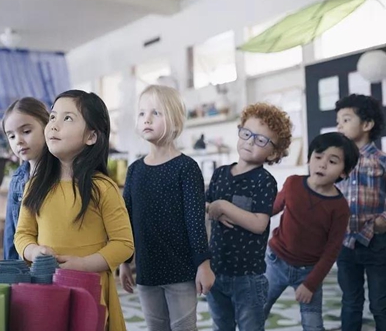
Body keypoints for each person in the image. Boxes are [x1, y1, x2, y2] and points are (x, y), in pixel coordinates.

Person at [14, 90, 134, 331]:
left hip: (90, 292)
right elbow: (22, 235)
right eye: (52, 117)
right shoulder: (34, 186)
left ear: (91, 136)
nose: (54, 126)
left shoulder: (102, 188)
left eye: (67, 118)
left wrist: (84, 264)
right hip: (48, 289)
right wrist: (34, 250)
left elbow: (124, 244)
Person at [118, 85, 214, 331]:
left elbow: (195, 221)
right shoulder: (135, 171)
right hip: (147, 271)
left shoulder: (187, 168)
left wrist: (203, 264)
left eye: (156, 113)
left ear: (175, 121)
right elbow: (126, 219)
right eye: (142, 113)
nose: (146, 118)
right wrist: (125, 262)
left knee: (184, 327)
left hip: (181, 271)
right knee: (155, 327)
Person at [206, 102, 292, 331]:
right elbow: (206, 204)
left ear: (273, 152)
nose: (250, 141)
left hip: (248, 277)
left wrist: (223, 206)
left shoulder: (264, 181)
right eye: (246, 133)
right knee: (220, 325)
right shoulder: (220, 173)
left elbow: (259, 223)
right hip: (216, 269)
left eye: (261, 139)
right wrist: (212, 207)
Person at [264, 132, 359, 330]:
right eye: (318, 157)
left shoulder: (340, 208)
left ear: (344, 172)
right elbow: (269, 210)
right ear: (309, 159)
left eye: (332, 161)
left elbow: (332, 250)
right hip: (275, 262)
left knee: (313, 324)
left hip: (308, 272)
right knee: (256, 311)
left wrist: (311, 284)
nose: (322, 164)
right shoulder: (293, 183)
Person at [335, 94, 386, 330]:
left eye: (346, 120)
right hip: (345, 242)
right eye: (338, 121)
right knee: (350, 301)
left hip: (376, 241)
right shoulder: (339, 162)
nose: (339, 125)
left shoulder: (381, 161)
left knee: (380, 303)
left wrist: (381, 222)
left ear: (366, 125)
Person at [1, 97, 49, 260]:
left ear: (47, 127)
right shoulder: (17, 180)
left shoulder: (64, 173)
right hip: (25, 270)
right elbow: (11, 233)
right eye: (11, 136)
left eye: (26, 131)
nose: (19, 141)